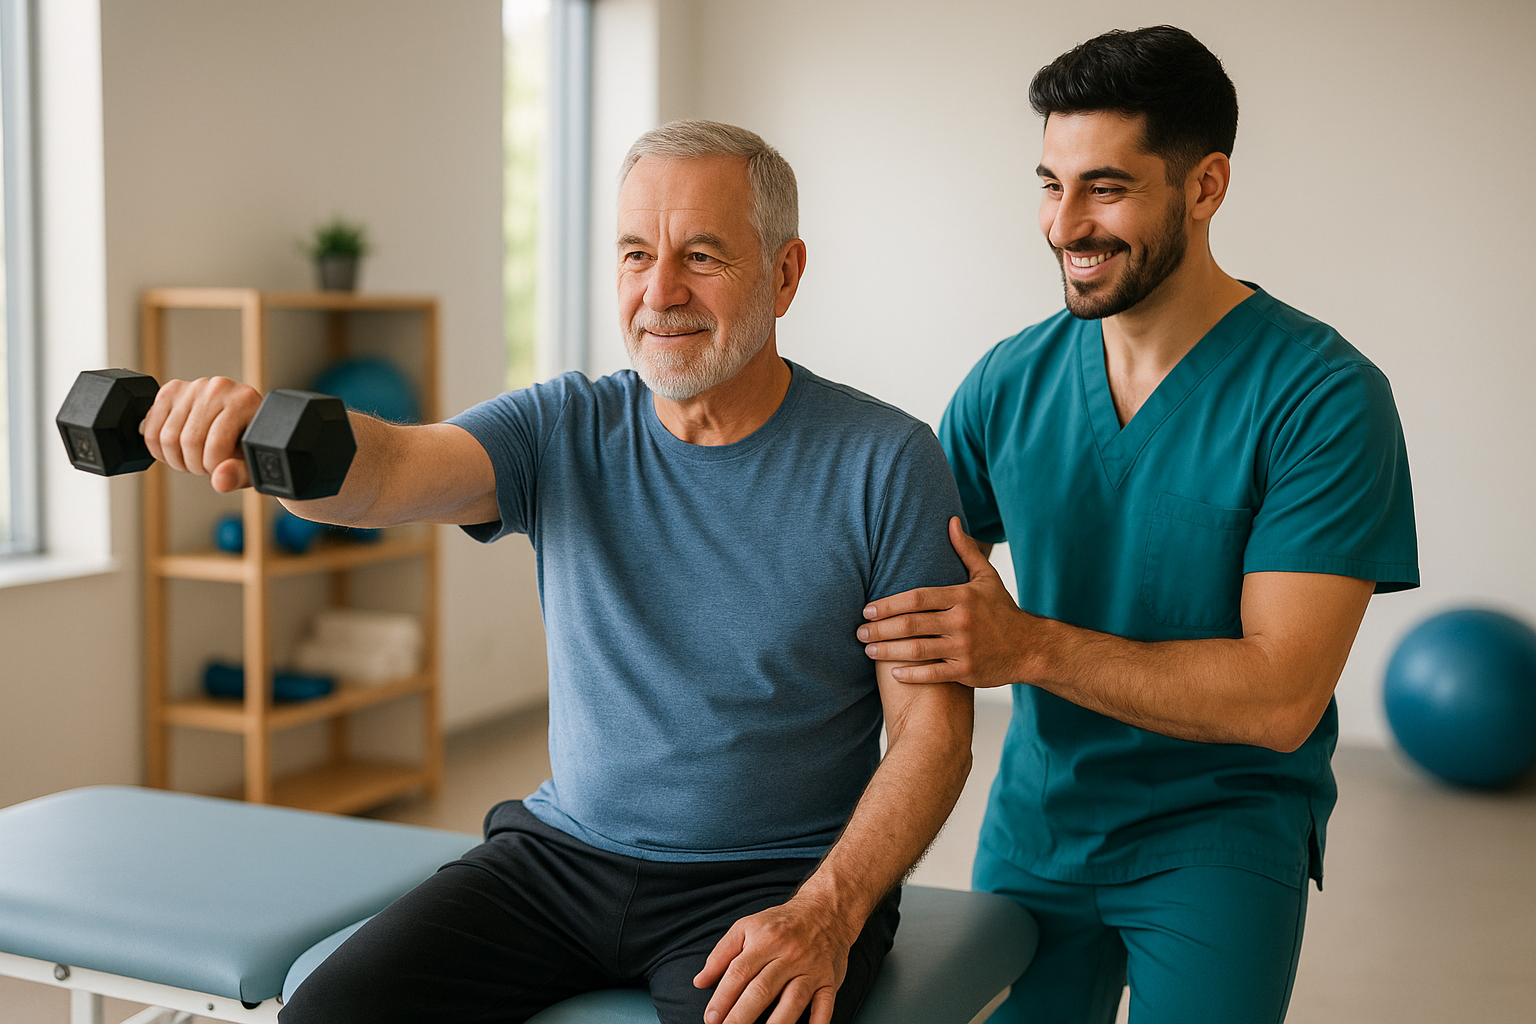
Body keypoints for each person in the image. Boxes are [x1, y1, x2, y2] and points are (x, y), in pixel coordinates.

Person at [139, 121, 973, 1024]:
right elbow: (390, 471)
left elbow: (931, 731)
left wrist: (830, 911)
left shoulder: (888, 463)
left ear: (784, 274)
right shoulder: (563, 428)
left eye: (701, 256)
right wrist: (271, 436)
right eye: (635, 254)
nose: (660, 292)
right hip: (560, 860)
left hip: (775, 879)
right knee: (327, 1014)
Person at [858, 26, 1418, 1024]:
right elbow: (904, 583)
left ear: (1205, 186)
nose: (1065, 224)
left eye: (1105, 188)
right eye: (1050, 184)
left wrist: (1026, 646)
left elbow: (1280, 697)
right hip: (1039, 822)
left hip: (1220, 832)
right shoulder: (1008, 382)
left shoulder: (1324, 398)